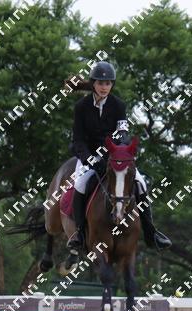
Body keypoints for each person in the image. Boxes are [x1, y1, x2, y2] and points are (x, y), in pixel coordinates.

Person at [67, 61, 172, 251]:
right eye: (100, 83)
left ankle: (151, 233)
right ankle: (80, 234)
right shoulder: (81, 107)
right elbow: (78, 140)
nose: (104, 87)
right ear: (93, 84)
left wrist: (120, 151)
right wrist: (90, 160)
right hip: (88, 155)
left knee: (141, 183)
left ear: (112, 85)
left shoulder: (118, 105)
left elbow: (122, 132)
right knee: (80, 184)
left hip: (113, 156)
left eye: (108, 83)